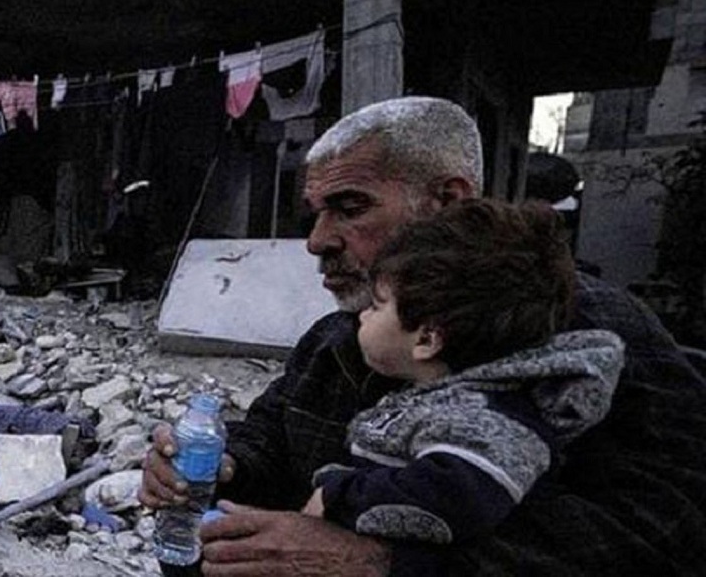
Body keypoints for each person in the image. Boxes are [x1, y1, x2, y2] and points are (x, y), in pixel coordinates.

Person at [141, 97, 706, 576]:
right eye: (314, 213)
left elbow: (666, 525)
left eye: (350, 207)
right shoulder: (341, 336)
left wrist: (382, 560)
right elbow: (273, 434)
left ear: (446, 202)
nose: (316, 242)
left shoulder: (587, 332)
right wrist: (218, 464)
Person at [301, 199, 623, 555]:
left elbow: (457, 495)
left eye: (377, 307)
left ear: (426, 339)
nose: (363, 317)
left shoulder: (486, 417)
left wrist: (339, 496)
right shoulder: (436, 398)